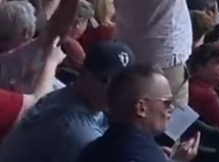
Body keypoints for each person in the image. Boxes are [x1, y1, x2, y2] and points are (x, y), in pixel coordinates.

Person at [0, 40, 134, 162]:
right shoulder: (76, 130)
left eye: (124, 84)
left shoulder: (71, 95)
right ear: (85, 75)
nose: (118, 91)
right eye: (107, 82)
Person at [75, 64, 200, 162]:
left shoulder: (95, 147)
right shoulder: (144, 155)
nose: (171, 107)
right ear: (141, 108)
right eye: (166, 102)